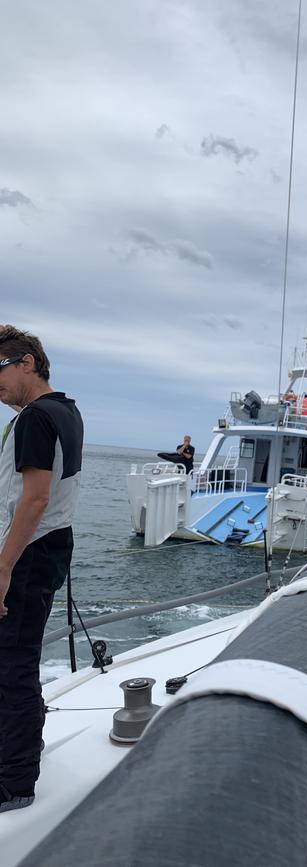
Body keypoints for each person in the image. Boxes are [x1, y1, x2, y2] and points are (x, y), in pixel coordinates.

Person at [0, 326, 83, 813]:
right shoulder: (67, 411)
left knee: (11, 664)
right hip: (53, 545)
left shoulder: (35, 417)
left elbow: (34, 497)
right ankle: (22, 752)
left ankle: (14, 782)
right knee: (18, 657)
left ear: (26, 362)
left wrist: (4, 567)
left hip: (29, 552)